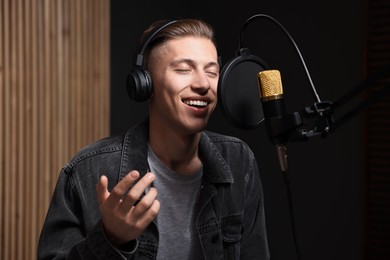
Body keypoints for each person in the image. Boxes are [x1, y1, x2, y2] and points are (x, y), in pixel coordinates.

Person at [37, 18, 270, 259]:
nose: (203, 84)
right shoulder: (88, 171)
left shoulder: (239, 160)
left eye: (211, 71)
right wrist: (110, 239)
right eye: (183, 69)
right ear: (145, 83)